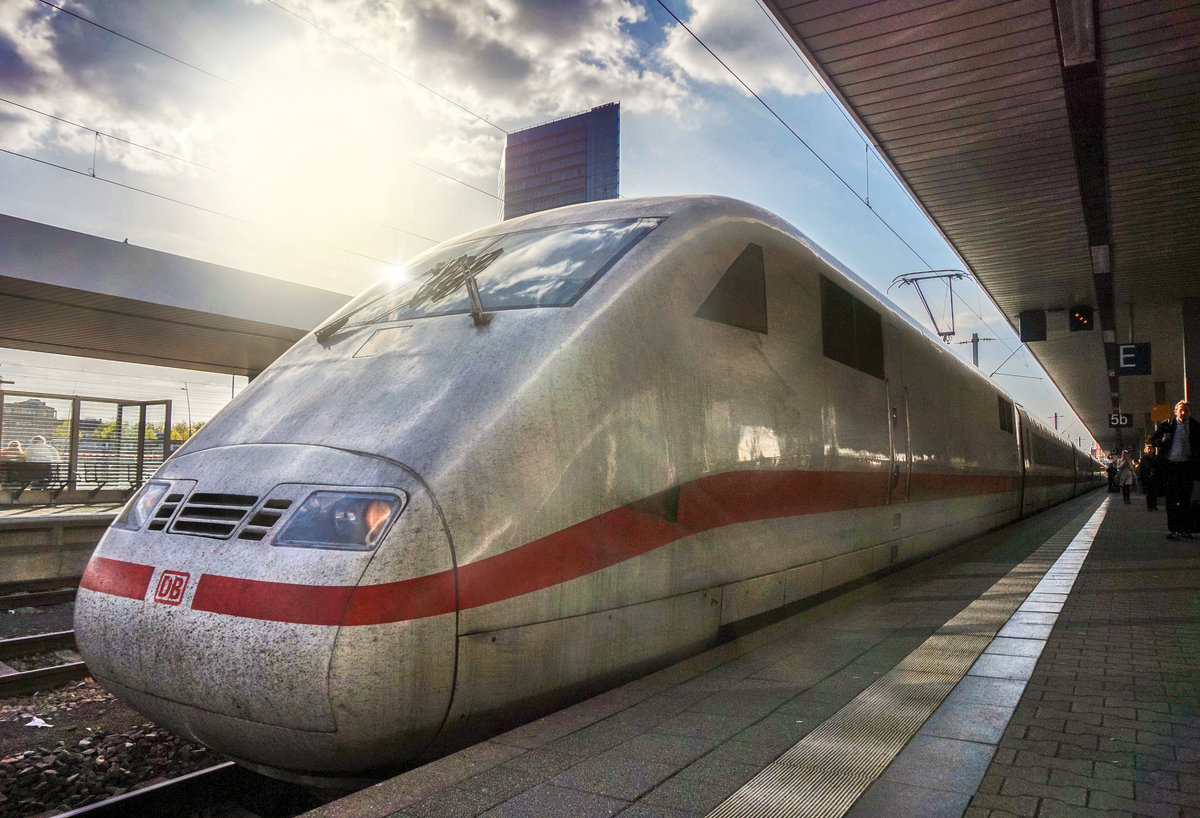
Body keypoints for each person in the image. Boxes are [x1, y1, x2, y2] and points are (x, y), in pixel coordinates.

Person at [1150, 400, 1200, 540]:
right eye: (1181, 410)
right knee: (1171, 500)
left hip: (1187, 467)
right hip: (1170, 467)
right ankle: (1174, 529)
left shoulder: (1196, 427)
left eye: (1186, 411)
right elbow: (1153, 440)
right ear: (1175, 412)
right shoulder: (1167, 425)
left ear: (1190, 412)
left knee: (1185, 499)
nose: (1183, 413)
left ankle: (1185, 529)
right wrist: (1163, 441)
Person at [1138, 444, 1162, 511]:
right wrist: (1141, 477)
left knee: (1154, 492)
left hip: (1155, 477)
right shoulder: (1144, 459)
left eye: (1151, 448)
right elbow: (1141, 469)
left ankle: (1154, 505)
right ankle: (1149, 506)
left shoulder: (1156, 458)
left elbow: (1159, 467)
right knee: (1149, 493)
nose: (1149, 450)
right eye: (1148, 448)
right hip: (1147, 477)